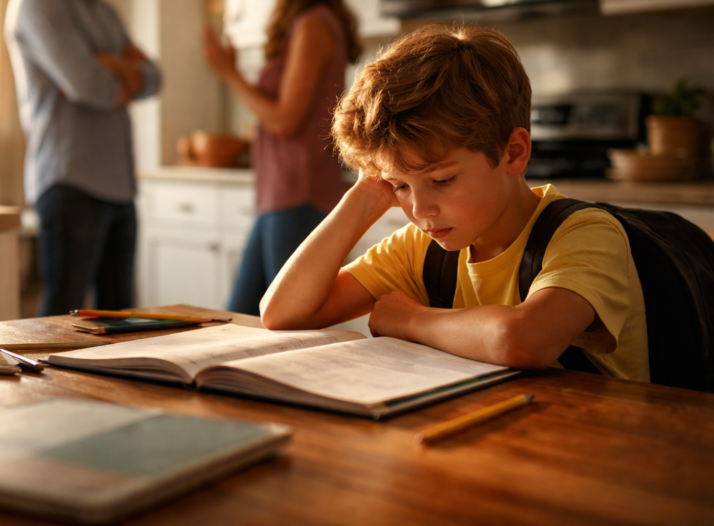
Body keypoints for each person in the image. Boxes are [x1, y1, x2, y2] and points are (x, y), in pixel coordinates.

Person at [260, 24, 650, 382]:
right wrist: (362, 197)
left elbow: (523, 339)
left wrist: (411, 320)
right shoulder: (422, 248)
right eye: (400, 186)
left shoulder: (586, 234)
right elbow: (283, 314)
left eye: (441, 180)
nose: (419, 210)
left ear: (513, 153)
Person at [4, 0, 162, 316]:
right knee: (60, 320)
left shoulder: (104, 10)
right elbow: (91, 85)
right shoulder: (37, 1)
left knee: (120, 325)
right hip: (69, 184)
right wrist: (110, 71)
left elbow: (154, 79)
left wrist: (106, 65)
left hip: (119, 186)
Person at [202, 0, 361, 316]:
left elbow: (285, 120)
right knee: (239, 316)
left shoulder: (313, 26)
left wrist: (227, 73)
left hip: (299, 194)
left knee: (286, 322)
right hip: (282, 193)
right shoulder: (303, 25)